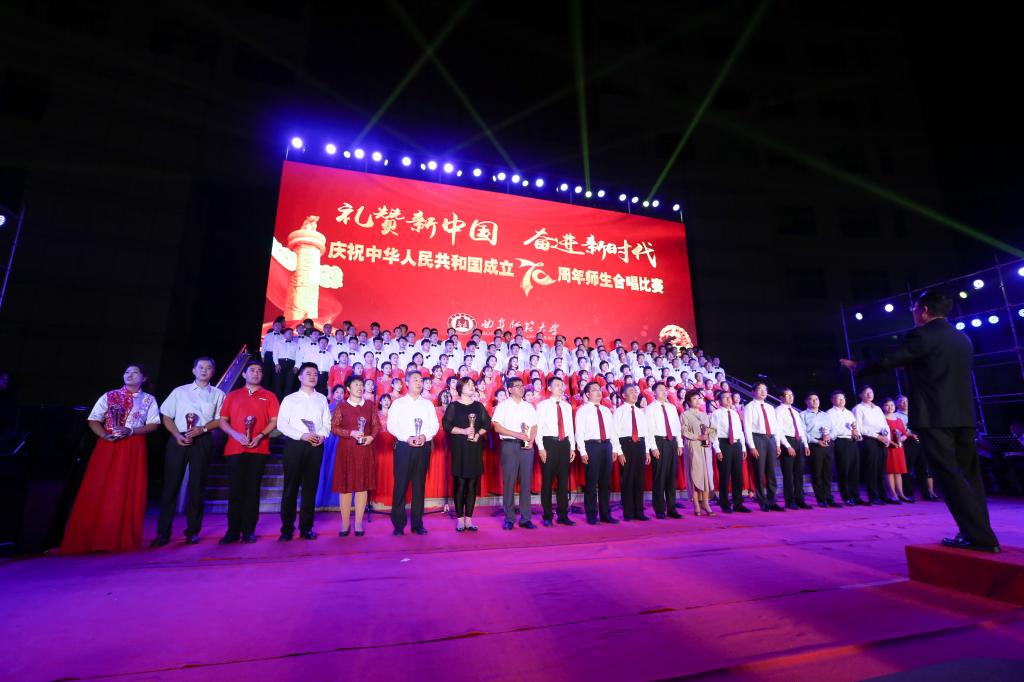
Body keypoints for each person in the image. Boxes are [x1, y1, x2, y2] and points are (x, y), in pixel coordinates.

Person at [842, 289, 1000, 552]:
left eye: (915, 308)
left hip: (935, 416)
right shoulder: (962, 338)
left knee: (948, 476)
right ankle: (979, 532)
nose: (914, 313)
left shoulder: (922, 335)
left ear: (924, 310)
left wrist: (859, 366)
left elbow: (890, 360)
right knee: (970, 476)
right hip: (963, 415)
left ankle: (978, 537)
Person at [60, 364, 161, 553]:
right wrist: (104, 436)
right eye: (127, 372)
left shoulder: (148, 399)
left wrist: (131, 430)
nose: (129, 375)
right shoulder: (109, 395)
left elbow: (154, 424)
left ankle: (118, 538)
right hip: (108, 445)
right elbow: (93, 419)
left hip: (133, 445)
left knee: (126, 488)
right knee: (99, 487)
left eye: (135, 373)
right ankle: (90, 537)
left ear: (144, 378)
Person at [154, 357, 225, 546]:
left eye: (208, 368)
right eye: (200, 367)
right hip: (178, 438)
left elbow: (221, 419)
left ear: (213, 372)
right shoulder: (180, 391)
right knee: (171, 486)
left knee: (197, 486)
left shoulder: (218, 394)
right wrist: (177, 435)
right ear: (194, 370)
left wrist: (203, 429)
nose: (204, 370)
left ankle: (192, 532)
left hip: (203, 439)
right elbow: (166, 416)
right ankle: (163, 533)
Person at [217, 360, 280, 544]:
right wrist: (236, 435)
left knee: (252, 491)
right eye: (252, 370)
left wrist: (260, 435)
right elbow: (222, 420)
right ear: (244, 374)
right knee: (235, 491)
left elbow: (275, 421)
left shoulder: (269, 396)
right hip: (234, 448)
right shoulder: (232, 395)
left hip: (259, 448)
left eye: (259, 370)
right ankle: (232, 531)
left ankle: (248, 531)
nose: (256, 373)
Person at [276, 362, 332, 541]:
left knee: (310, 488)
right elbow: (282, 424)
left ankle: (306, 527)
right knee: (291, 487)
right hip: (295, 445)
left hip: (315, 445)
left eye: (315, 374)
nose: (313, 376)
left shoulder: (322, 399)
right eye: (308, 373)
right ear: (300, 377)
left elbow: (327, 422)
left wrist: (323, 435)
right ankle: (287, 528)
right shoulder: (290, 399)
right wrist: (302, 435)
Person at [386, 370, 440, 535]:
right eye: (415, 379)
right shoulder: (398, 403)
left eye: (420, 380)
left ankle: (417, 524)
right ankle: (398, 525)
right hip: (404, 447)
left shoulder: (428, 404)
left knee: (419, 486)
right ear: (407, 382)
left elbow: (435, 425)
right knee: (400, 485)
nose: (419, 382)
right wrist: (406, 438)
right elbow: (391, 425)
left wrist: (425, 436)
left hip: (423, 447)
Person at [331, 375, 380, 536]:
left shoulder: (370, 405)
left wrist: (371, 437)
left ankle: (358, 523)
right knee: (345, 488)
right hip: (346, 451)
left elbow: (376, 426)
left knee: (362, 486)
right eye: (356, 384)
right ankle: (345, 524)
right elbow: (334, 427)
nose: (359, 387)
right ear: (348, 388)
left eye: (361, 384)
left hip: (365, 450)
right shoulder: (342, 406)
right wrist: (350, 433)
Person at [442, 377, 491, 532]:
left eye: (472, 384)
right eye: (468, 384)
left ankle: (469, 520)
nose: (472, 386)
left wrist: (478, 434)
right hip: (459, 449)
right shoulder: (454, 406)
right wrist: (463, 431)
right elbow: (446, 425)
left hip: (475, 449)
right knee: (460, 484)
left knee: (472, 485)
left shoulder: (478, 406)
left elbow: (487, 423)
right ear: (460, 388)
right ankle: (459, 520)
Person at [492, 377, 539, 530]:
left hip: (527, 447)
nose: (521, 388)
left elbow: (534, 426)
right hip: (509, 445)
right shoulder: (503, 406)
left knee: (526, 482)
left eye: (522, 385)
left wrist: (531, 441)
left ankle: (526, 518)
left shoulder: (529, 407)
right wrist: (516, 434)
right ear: (510, 389)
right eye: (517, 386)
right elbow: (497, 427)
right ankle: (509, 518)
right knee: (509, 482)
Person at [575, 381, 621, 524]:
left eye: (599, 389)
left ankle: (605, 514)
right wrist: (582, 451)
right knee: (591, 482)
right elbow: (579, 433)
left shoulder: (606, 410)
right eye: (594, 389)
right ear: (588, 394)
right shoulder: (582, 410)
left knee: (605, 483)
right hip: (591, 446)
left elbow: (613, 431)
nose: (599, 392)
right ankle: (591, 515)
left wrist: (615, 448)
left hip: (606, 446)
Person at [536, 376, 578, 526]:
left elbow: (570, 428)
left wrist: (572, 447)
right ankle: (547, 516)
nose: (561, 387)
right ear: (549, 388)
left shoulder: (567, 406)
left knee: (563, 482)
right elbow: (539, 428)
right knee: (547, 481)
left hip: (564, 444)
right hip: (549, 443)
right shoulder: (542, 405)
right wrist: (541, 448)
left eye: (562, 385)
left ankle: (562, 515)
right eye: (557, 385)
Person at [742, 382, 785, 512]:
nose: (763, 392)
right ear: (753, 392)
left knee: (771, 472)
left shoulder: (770, 407)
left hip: (770, 439)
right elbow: (747, 428)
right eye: (760, 389)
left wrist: (777, 444)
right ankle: (762, 501)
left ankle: (772, 501)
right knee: (759, 472)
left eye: (765, 389)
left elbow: (775, 427)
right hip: (758, 438)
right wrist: (752, 446)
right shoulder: (749, 407)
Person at [645, 382, 683, 519]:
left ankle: (672, 508)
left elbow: (677, 427)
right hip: (659, 442)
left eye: (665, 389)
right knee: (659, 477)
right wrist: (653, 447)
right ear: (654, 393)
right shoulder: (650, 408)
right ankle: (659, 509)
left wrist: (679, 444)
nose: (664, 391)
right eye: (660, 390)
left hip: (672, 442)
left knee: (671, 477)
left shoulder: (672, 407)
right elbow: (649, 430)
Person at [613, 384, 651, 521]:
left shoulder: (640, 412)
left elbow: (645, 432)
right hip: (626, 445)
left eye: (635, 392)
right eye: (631, 392)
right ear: (623, 395)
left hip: (640, 445)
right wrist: (619, 452)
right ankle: (628, 512)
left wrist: (647, 451)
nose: (635, 394)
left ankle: (639, 511)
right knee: (627, 479)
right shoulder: (619, 411)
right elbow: (614, 433)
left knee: (639, 479)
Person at [852, 385, 892, 505]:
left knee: (881, 469)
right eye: (866, 393)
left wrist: (887, 438)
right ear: (860, 395)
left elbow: (885, 425)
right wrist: (877, 436)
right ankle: (873, 496)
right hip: (869, 440)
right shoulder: (858, 408)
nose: (869, 395)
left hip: (882, 439)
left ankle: (883, 495)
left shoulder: (878, 408)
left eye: (871, 392)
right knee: (871, 469)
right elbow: (860, 428)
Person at [710, 391, 748, 513]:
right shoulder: (716, 414)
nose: (728, 399)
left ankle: (738, 504)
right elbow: (713, 432)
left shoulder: (735, 413)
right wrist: (717, 449)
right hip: (723, 444)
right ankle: (725, 504)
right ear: (719, 401)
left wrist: (743, 447)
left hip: (736, 444)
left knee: (738, 476)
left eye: (729, 397)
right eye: (725, 397)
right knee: (725, 476)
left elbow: (740, 431)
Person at [826, 390, 866, 506]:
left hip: (852, 442)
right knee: (844, 470)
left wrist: (857, 434)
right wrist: (848, 431)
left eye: (843, 398)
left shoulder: (849, 413)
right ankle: (846, 496)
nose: (841, 400)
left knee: (855, 470)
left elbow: (855, 427)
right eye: (838, 398)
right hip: (841, 441)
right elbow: (833, 430)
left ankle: (856, 496)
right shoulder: (830, 413)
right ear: (832, 400)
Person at [681, 389, 716, 516]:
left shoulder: (704, 415)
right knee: (695, 474)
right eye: (694, 399)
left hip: (705, 447)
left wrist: (709, 437)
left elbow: (713, 429)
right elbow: (684, 431)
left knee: (706, 474)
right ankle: (696, 503)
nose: (697, 401)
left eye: (698, 398)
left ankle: (705, 503)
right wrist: (697, 437)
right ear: (688, 401)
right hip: (693, 446)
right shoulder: (685, 415)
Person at [776, 388, 812, 510]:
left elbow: (801, 430)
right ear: (781, 397)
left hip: (798, 442)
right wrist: (787, 446)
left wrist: (805, 444)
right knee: (788, 474)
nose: (791, 397)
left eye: (792, 395)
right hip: (788, 441)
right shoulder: (778, 411)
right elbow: (779, 430)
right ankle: (789, 500)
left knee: (799, 473)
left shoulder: (795, 412)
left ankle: (800, 499)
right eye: (787, 395)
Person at [802, 393, 840, 507]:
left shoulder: (825, 415)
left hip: (828, 443)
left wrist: (829, 436)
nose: (815, 401)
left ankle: (829, 497)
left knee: (828, 472)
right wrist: (816, 441)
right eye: (812, 399)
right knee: (817, 472)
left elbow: (834, 429)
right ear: (806, 402)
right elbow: (803, 432)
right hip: (815, 444)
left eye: (817, 399)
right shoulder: (803, 415)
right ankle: (821, 498)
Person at [314, 384, 345, 510]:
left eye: (341, 392)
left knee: (338, 467)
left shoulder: (346, 407)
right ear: (333, 394)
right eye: (337, 392)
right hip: (328, 439)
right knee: (326, 466)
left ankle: (338, 499)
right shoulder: (327, 407)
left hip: (341, 439)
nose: (339, 394)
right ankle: (323, 497)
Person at [881, 397, 912, 503]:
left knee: (898, 472)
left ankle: (901, 494)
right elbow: (882, 433)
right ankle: (892, 494)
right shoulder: (882, 419)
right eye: (887, 405)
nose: (890, 407)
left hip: (899, 448)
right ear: (883, 407)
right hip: (889, 447)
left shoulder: (899, 420)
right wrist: (891, 442)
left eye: (892, 405)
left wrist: (901, 438)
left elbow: (905, 434)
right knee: (890, 471)